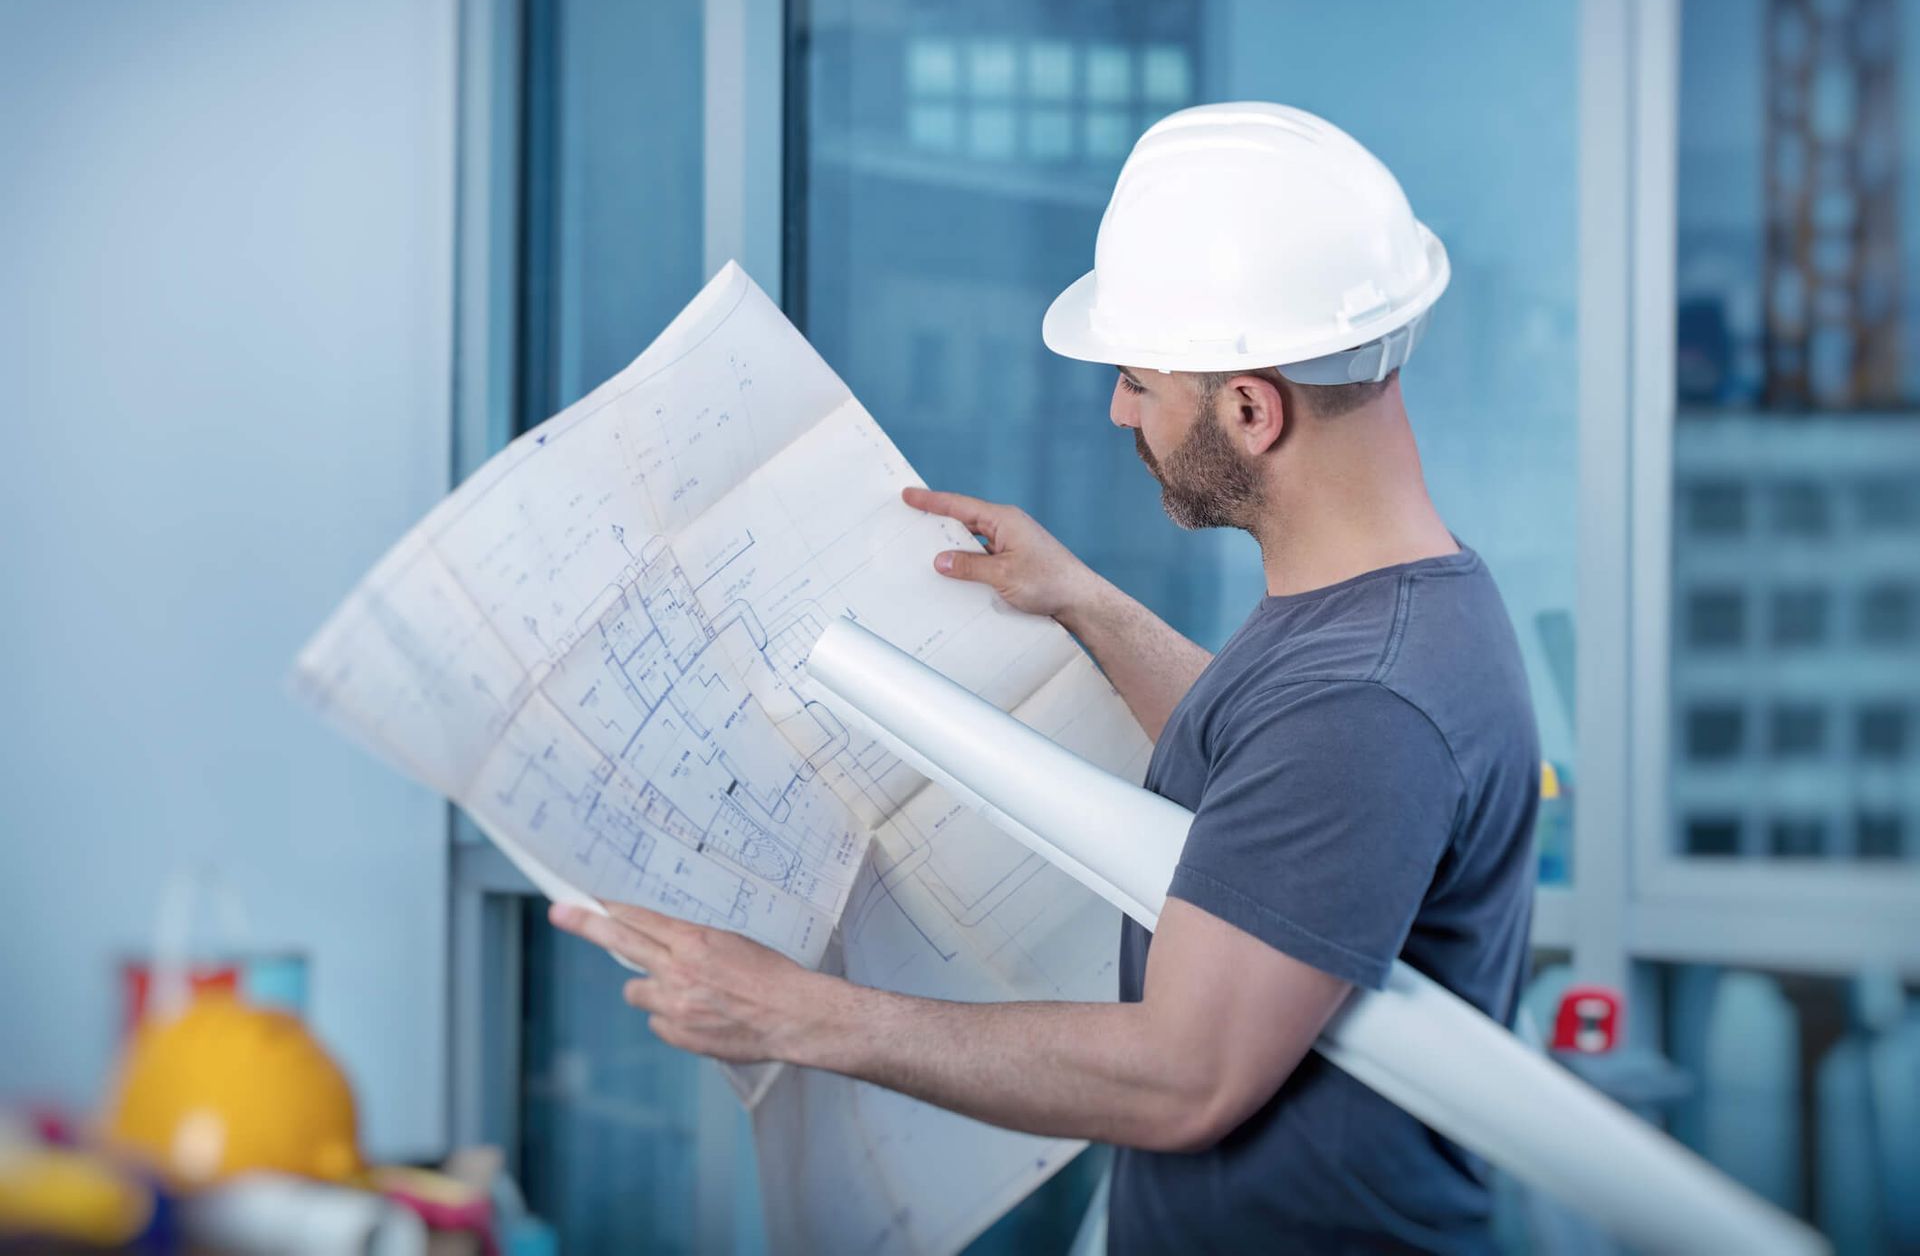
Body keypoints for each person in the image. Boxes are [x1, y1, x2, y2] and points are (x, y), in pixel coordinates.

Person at [550, 102, 1541, 1253]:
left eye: (1137, 380)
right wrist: (1085, 604)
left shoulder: (1367, 697)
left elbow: (1184, 1074)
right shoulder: (1383, 619)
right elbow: (1269, 784)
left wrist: (797, 1013)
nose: (1119, 407)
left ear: (1252, 409)